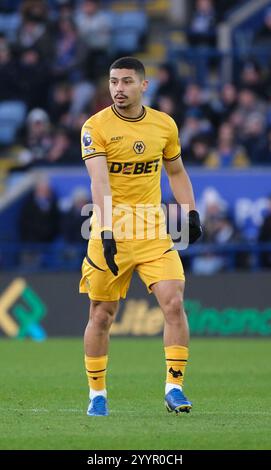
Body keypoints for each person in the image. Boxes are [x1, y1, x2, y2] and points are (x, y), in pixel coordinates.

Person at [79, 57, 202, 416]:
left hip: (151, 229)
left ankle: (174, 388)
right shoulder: (95, 126)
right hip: (108, 228)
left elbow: (176, 171)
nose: (118, 89)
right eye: (114, 82)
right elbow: (99, 181)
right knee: (101, 315)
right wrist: (104, 230)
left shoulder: (164, 126)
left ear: (143, 86)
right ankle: (97, 394)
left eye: (127, 82)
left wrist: (190, 210)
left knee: (175, 303)